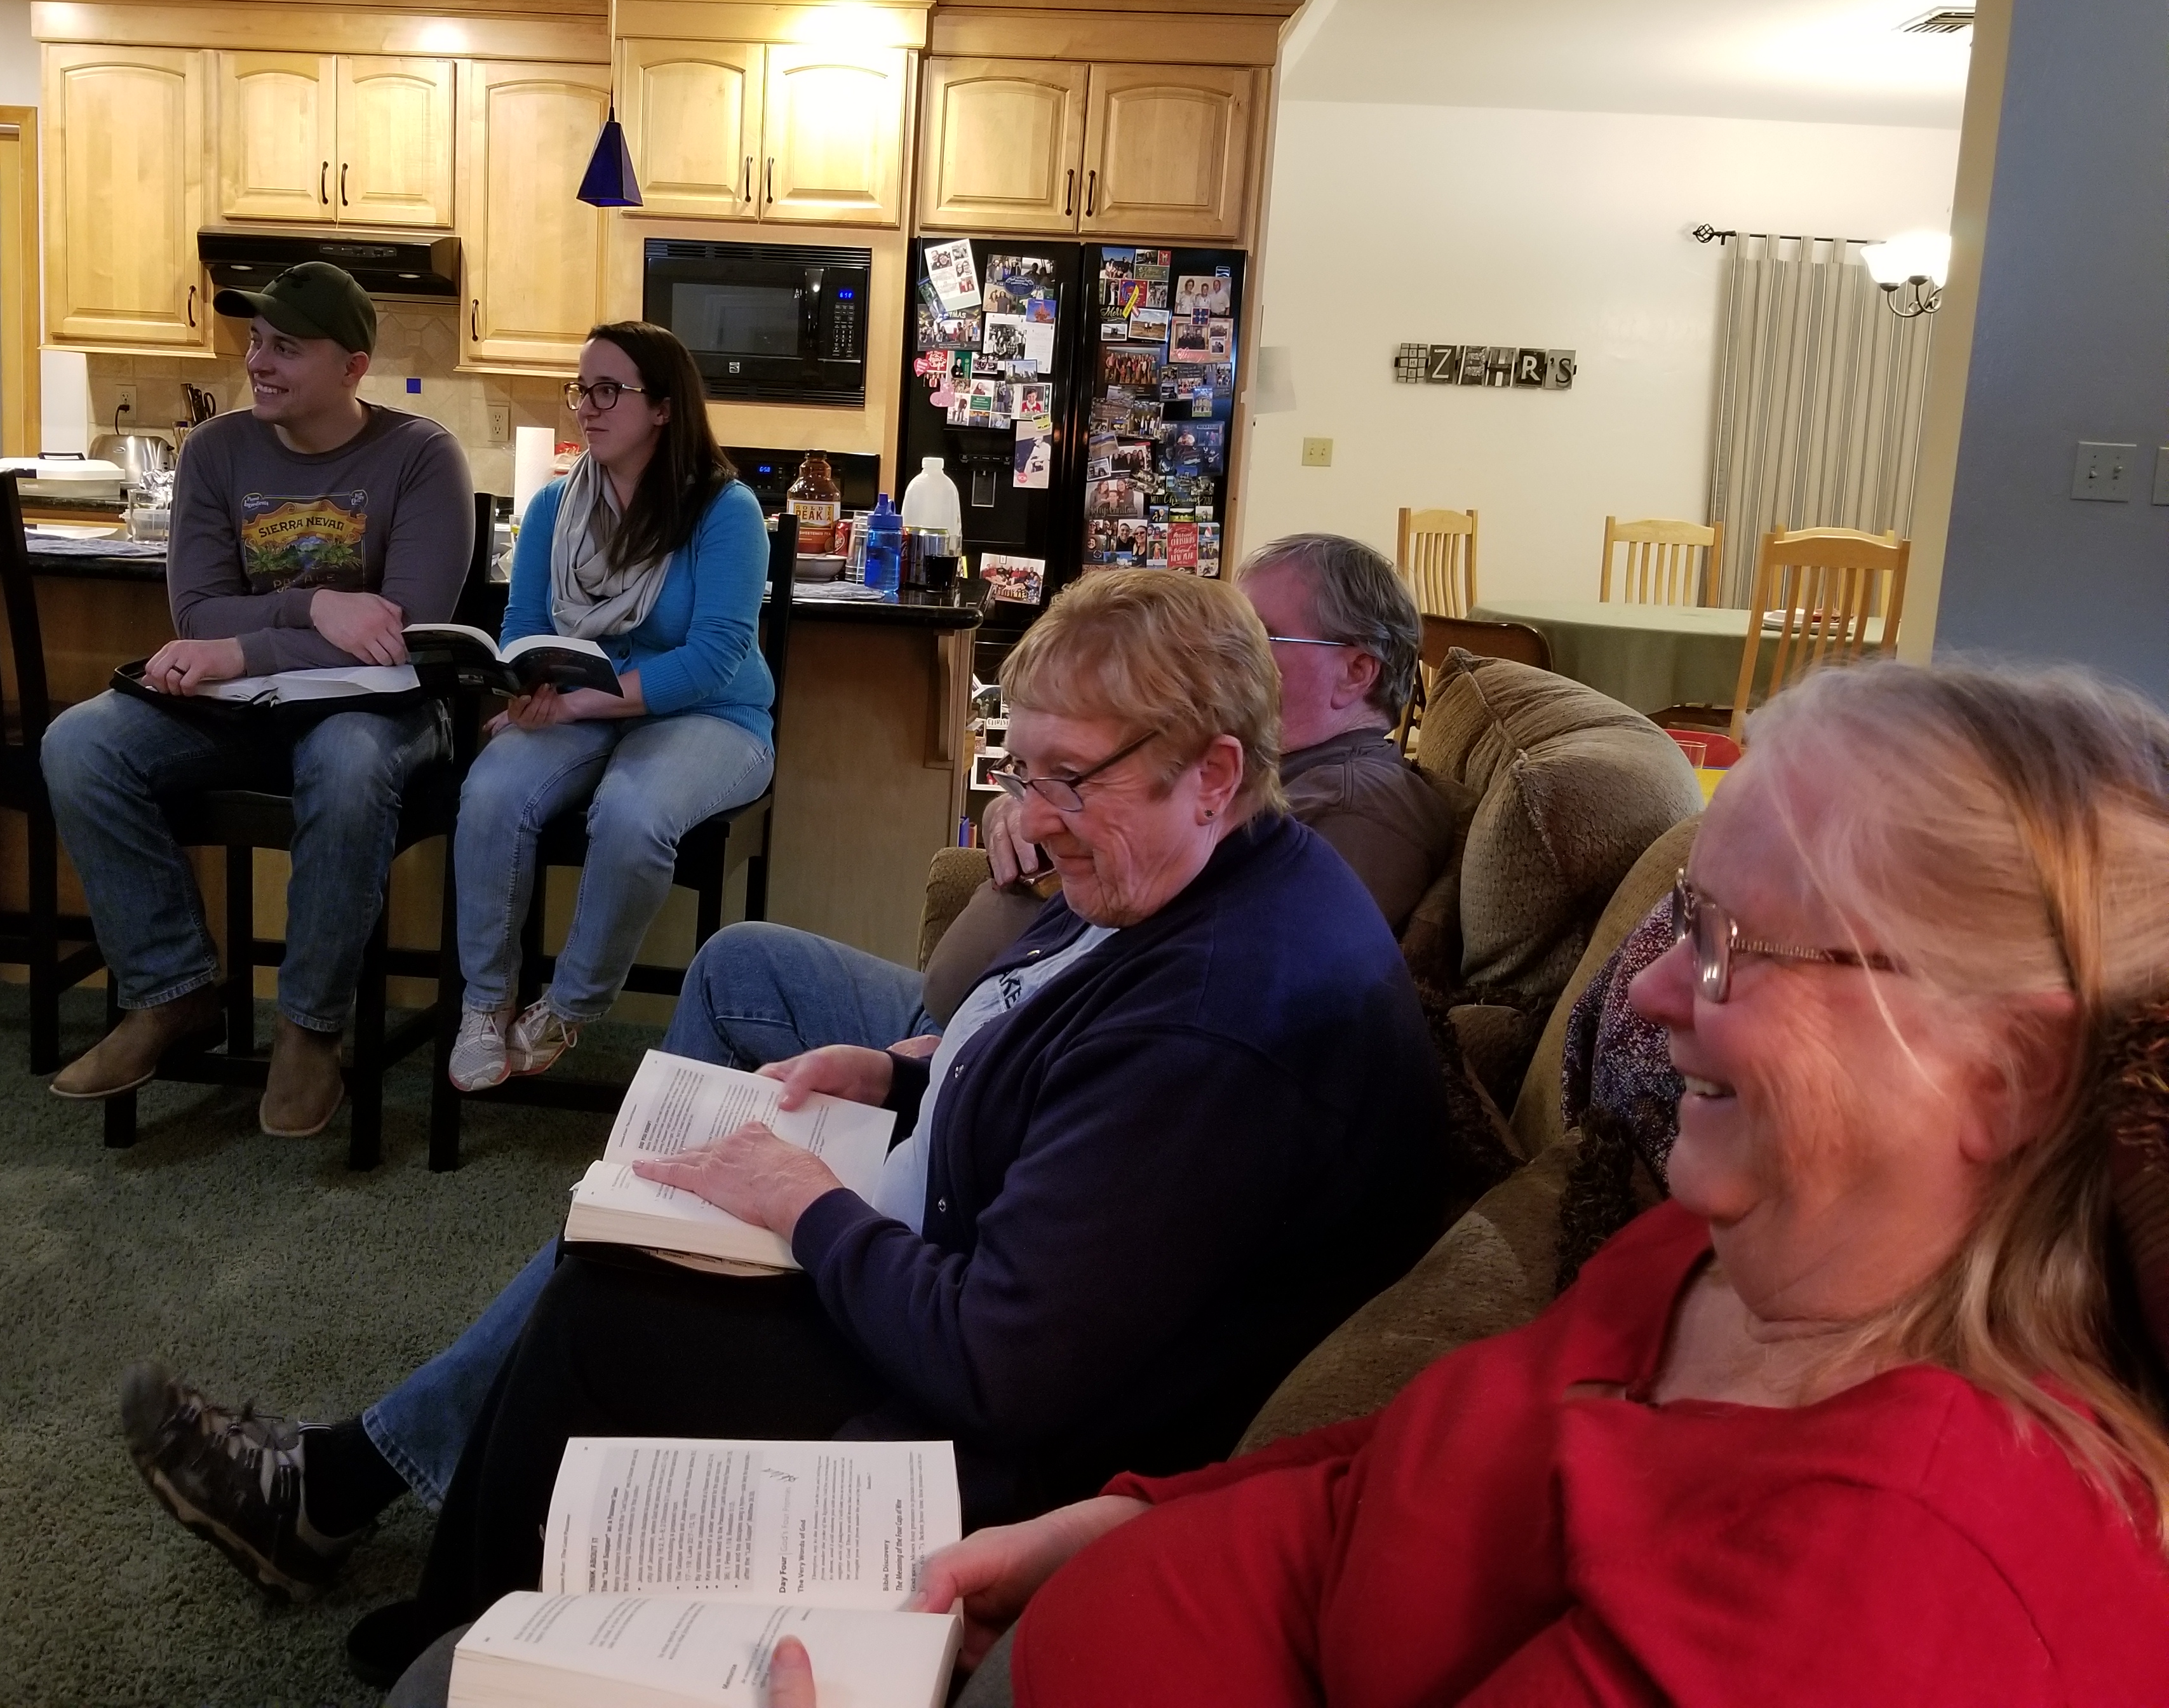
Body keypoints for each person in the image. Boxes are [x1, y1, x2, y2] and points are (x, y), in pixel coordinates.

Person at [118, 571, 1447, 1697]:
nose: (1033, 818)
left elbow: (1003, 1366)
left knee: (611, 1313)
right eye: (1021, 770)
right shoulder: (1206, 870)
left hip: (1017, 1439)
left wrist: (807, 1204)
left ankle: (464, 1627)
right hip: (984, 1261)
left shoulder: (1218, 1020)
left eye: (1068, 778)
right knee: (616, 1275)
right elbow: (1052, 1051)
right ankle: (459, 1602)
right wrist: (901, 1076)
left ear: (1214, 772)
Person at [901, 657, 2169, 1705]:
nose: (1651, 991)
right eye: (1681, 921)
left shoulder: (1901, 1559)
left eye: (1733, 948)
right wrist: (1130, 1523)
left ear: (2011, 1070)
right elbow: (1424, 1459)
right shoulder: (1715, 1249)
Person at [42, 262, 470, 1136]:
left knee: (347, 767)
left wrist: (242, 644)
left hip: (377, 710)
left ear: (352, 368)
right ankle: (171, 991)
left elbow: (403, 632)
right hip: (239, 711)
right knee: (80, 745)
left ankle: (310, 1028)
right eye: (256, 342)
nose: (259, 363)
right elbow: (197, 612)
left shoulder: (422, 456)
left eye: (287, 348)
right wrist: (315, 607)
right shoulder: (215, 451)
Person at [441, 319, 776, 1090]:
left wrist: (576, 707)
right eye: (581, 389)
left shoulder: (724, 511)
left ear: (663, 407)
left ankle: (569, 1006)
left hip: (711, 716)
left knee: (631, 813)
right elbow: (524, 625)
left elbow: (715, 656)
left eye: (607, 390)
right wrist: (527, 688)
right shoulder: (555, 508)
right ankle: (486, 1003)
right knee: (490, 790)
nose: (586, 406)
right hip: (578, 703)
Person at [933, 531, 1449, 1009]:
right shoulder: (1263, 769)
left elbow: (1232, 993)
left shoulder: (1360, 807)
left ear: (1356, 672)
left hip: (1013, 1043)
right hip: (971, 1034)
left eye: (1257, 637)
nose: (1220, 657)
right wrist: (1026, 798)